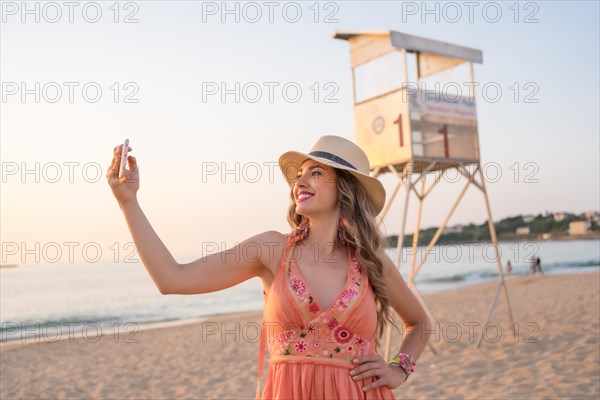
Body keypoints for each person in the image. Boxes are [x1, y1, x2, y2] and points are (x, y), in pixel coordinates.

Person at [107, 135, 432, 399]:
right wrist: (128, 202)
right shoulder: (271, 249)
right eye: (300, 173)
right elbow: (171, 278)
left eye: (316, 172)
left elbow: (419, 324)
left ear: (346, 189)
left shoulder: (369, 261)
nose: (300, 180)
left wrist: (398, 369)